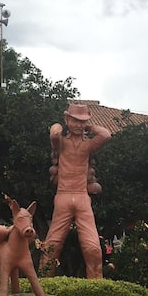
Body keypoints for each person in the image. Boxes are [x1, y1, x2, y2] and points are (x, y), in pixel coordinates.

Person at [38, 102, 112, 279]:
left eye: (83, 121)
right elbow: (55, 134)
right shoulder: (61, 144)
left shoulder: (89, 146)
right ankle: (42, 286)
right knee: (52, 245)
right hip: (63, 197)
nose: (79, 125)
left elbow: (106, 135)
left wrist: (89, 126)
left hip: (82, 198)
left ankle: (96, 286)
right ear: (67, 119)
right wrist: (59, 125)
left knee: (93, 247)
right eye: (75, 120)